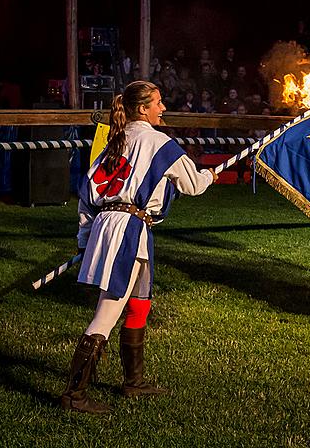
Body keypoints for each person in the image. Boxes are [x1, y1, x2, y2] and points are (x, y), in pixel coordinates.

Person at [61, 81, 218, 414]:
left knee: (140, 303)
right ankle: (74, 395)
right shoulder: (157, 142)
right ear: (143, 108)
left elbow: (87, 195)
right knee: (108, 312)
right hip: (128, 229)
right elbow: (191, 185)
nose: (163, 108)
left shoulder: (114, 143)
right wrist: (209, 178)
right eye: (159, 103)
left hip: (117, 225)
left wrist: (85, 240)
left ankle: (133, 382)